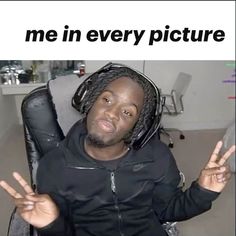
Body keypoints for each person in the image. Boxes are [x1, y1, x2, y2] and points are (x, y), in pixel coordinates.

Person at [0, 65, 235, 236]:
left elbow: (168, 211)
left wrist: (203, 191)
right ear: (89, 101)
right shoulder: (54, 167)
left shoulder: (158, 157)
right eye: (106, 100)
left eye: (127, 112)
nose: (112, 113)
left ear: (138, 125)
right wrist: (51, 224)